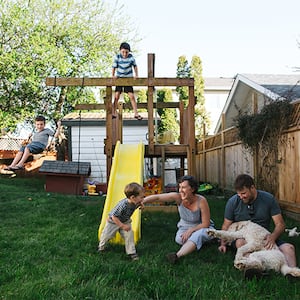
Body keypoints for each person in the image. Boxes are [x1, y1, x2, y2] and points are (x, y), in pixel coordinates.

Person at [218, 173, 298, 279]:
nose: (241, 197)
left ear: (252, 187)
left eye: (243, 193)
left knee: (289, 248)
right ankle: (254, 270)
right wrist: (223, 244)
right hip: (244, 237)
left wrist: (273, 237)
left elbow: (280, 224)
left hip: (264, 236)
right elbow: (226, 225)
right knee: (240, 243)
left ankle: (291, 274)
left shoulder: (268, 199)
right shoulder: (233, 202)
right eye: (239, 194)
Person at [142, 175, 215, 264]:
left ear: (192, 189)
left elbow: (205, 223)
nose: (180, 190)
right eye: (179, 187)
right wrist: (141, 202)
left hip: (201, 227)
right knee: (179, 240)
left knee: (199, 235)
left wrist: (191, 230)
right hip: (185, 227)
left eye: (183, 187)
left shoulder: (201, 200)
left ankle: (177, 255)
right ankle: (201, 242)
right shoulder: (178, 197)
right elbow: (158, 197)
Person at [98, 182, 144, 261]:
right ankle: (101, 247)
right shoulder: (123, 205)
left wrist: (141, 205)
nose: (142, 199)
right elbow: (114, 217)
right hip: (113, 222)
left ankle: (132, 252)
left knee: (129, 235)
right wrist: (122, 226)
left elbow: (138, 204)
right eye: (141, 197)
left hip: (125, 221)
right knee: (107, 235)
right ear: (133, 197)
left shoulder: (135, 202)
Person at [112, 42, 142, 120]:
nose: (125, 54)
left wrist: (136, 75)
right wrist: (113, 75)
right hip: (120, 78)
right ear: (120, 51)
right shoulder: (117, 57)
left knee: (131, 96)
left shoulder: (131, 57)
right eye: (123, 52)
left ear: (129, 52)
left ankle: (136, 113)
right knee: (116, 96)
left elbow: (135, 66)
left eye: (126, 52)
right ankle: (113, 112)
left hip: (128, 79)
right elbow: (114, 66)